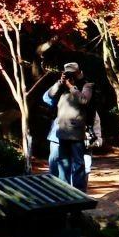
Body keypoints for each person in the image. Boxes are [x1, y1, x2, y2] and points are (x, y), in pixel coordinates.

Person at [42, 62, 95, 192]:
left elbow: (84, 100)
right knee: (62, 164)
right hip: (61, 132)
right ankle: (63, 193)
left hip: (76, 133)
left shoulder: (86, 85)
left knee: (78, 165)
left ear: (78, 72)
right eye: (67, 73)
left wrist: (72, 86)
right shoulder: (61, 87)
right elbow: (47, 97)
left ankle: (79, 194)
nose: (70, 75)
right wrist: (60, 82)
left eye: (72, 73)